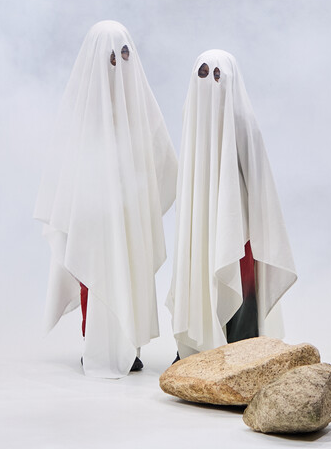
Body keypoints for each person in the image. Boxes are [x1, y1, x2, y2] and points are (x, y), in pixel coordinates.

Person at [36, 20, 178, 378]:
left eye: (125, 55)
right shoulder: (81, 107)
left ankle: (131, 346)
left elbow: (163, 158)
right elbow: (66, 168)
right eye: (111, 57)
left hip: (130, 211)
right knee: (95, 271)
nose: (119, 63)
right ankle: (95, 346)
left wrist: (143, 197)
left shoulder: (140, 104)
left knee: (131, 270)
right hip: (93, 214)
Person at [166, 50, 297, 359]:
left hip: (237, 224)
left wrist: (251, 222)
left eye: (218, 76)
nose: (210, 83)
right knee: (200, 276)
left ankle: (242, 351)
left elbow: (259, 181)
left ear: (231, 80)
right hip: (201, 222)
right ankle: (197, 349)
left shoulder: (243, 122)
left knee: (239, 283)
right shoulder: (193, 116)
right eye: (203, 74)